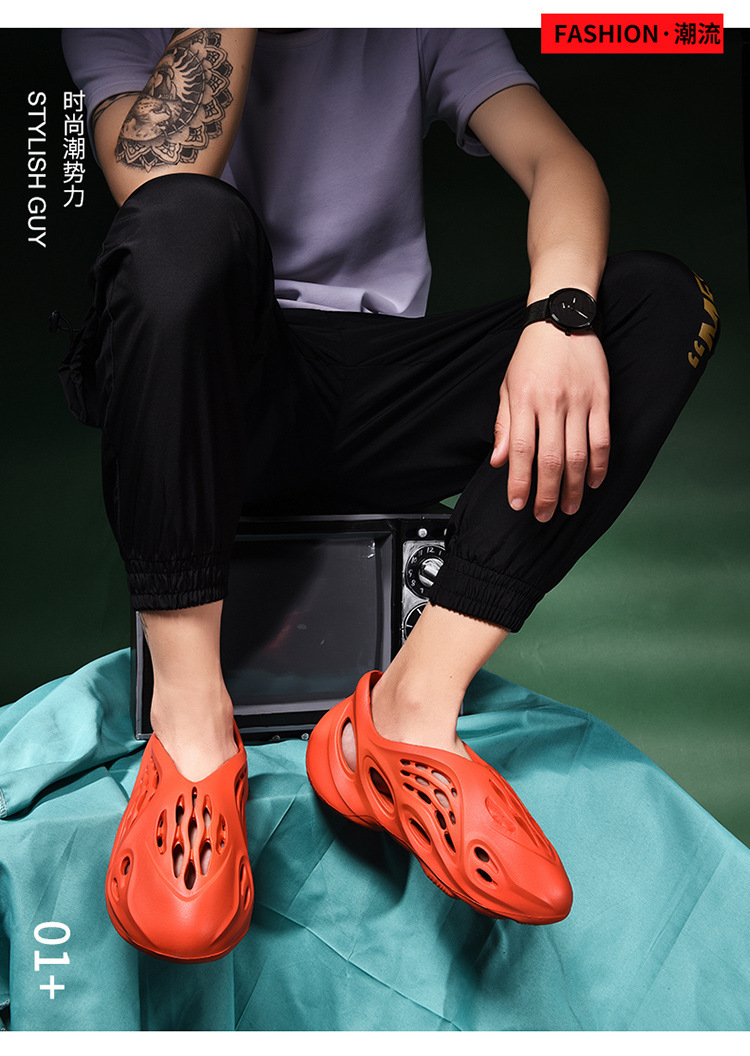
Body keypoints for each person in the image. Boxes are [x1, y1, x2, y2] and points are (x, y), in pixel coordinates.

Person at [60, 27, 719, 963]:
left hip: (382, 385)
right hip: (219, 387)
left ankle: (409, 713)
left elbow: (557, 161)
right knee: (183, 219)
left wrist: (559, 319)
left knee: (661, 299)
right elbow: (159, 180)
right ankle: (192, 729)